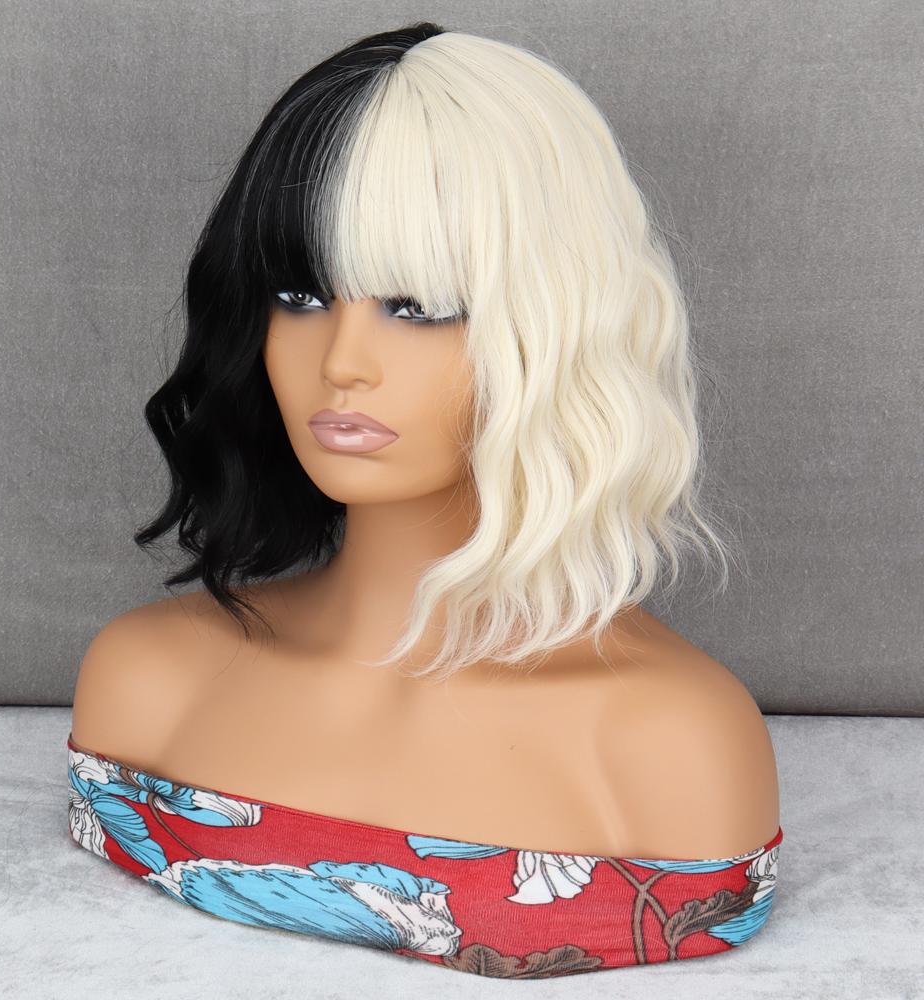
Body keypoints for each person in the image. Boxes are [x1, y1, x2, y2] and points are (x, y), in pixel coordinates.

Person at [68, 22, 782, 976]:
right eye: (301, 296)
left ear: (555, 324)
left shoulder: (672, 743)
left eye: (415, 308)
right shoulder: (147, 679)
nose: (342, 362)